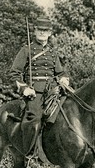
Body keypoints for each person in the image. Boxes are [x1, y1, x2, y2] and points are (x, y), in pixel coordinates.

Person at [9, 16, 70, 155]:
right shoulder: (26, 50)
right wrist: (24, 88)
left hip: (52, 92)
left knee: (67, 114)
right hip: (34, 93)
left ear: (49, 33)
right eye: (39, 30)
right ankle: (28, 152)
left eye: (45, 30)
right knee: (34, 119)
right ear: (34, 31)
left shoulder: (53, 53)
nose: (42, 33)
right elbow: (14, 73)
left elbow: (60, 72)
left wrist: (64, 79)